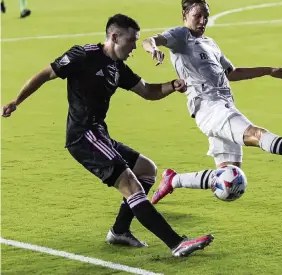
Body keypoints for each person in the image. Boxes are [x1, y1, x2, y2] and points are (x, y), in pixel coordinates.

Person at [1, 13, 214, 257]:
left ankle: (119, 231)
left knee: (147, 169)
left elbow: (147, 91)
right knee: (131, 185)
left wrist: (172, 85)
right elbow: (45, 74)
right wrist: (16, 101)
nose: (135, 45)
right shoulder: (83, 55)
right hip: (83, 136)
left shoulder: (117, 67)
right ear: (114, 37)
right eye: (132, 40)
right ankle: (177, 243)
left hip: (98, 134)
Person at [141, 0, 282, 204]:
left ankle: (174, 180)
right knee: (257, 135)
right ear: (185, 14)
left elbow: (232, 73)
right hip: (209, 108)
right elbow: (150, 39)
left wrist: (269, 70)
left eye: (206, 16)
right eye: (198, 15)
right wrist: (153, 49)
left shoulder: (210, 43)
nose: (203, 21)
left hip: (223, 107)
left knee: (229, 178)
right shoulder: (182, 36)